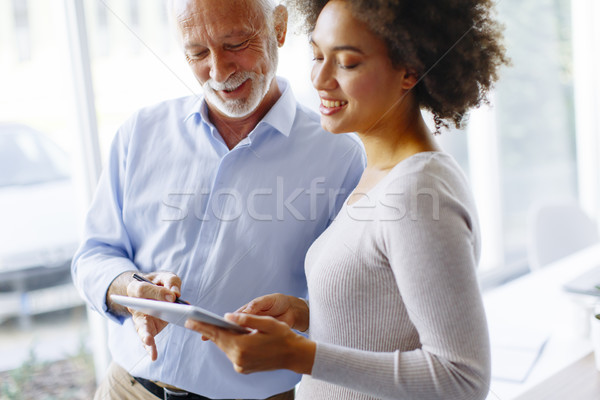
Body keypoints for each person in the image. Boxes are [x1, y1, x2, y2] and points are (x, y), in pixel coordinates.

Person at [185, 0, 509, 399]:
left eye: (347, 63)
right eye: (318, 55)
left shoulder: (418, 192)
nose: (320, 79)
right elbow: (388, 319)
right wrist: (309, 316)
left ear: (409, 71)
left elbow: (462, 379)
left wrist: (297, 355)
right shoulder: (379, 173)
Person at [71, 0, 365, 398]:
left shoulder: (341, 156)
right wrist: (130, 288)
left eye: (236, 43)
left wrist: (303, 314)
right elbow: (94, 255)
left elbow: (357, 304)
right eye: (197, 53)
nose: (219, 70)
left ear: (279, 27)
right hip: (125, 388)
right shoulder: (139, 133)